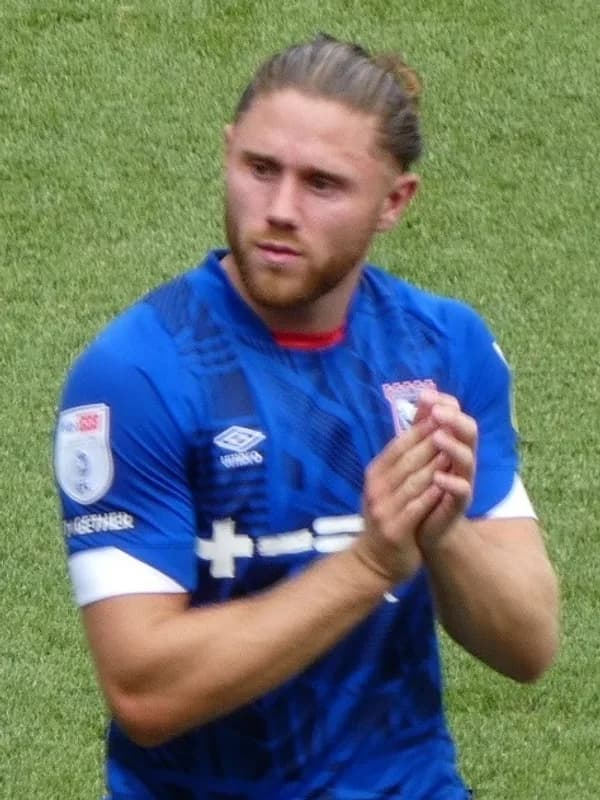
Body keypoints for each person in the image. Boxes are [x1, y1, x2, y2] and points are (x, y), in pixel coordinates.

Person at [53, 35, 559, 800]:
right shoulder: (138, 375)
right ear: (227, 152)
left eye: (323, 184)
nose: (280, 210)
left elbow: (528, 645)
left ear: (395, 202)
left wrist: (444, 530)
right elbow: (145, 692)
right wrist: (369, 563)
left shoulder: (442, 348)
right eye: (260, 169)